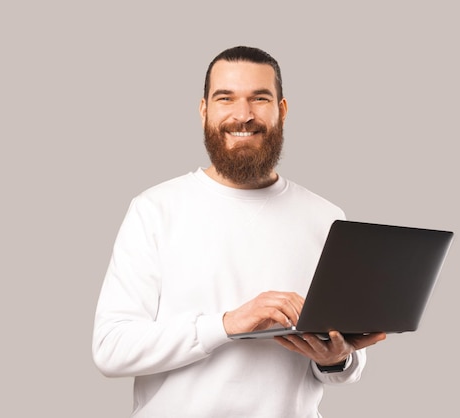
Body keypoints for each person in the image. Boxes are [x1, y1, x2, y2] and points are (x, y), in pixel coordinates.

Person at [92, 46, 386, 417]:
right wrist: (227, 324)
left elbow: (342, 367)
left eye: (259, 99)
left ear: (281, 110)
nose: (243, 116)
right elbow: (111, 348)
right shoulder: (154, 210)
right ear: (204, 111)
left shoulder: (326, 217)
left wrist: (336, 359)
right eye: (225, 98)